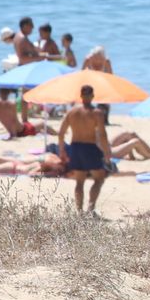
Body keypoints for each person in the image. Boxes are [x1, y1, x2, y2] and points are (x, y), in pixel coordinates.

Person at [57, 84, 110, 212]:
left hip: (75, 148)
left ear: (80, 95)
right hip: (90, 148)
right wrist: (107, 153)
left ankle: (79, 212)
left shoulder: (72, 112)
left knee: (79, 182)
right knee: (99, 178)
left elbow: (61, 133)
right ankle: (90, 209)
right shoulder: (97, 113)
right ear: (92, 96)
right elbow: (102, 135)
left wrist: (62, 150)